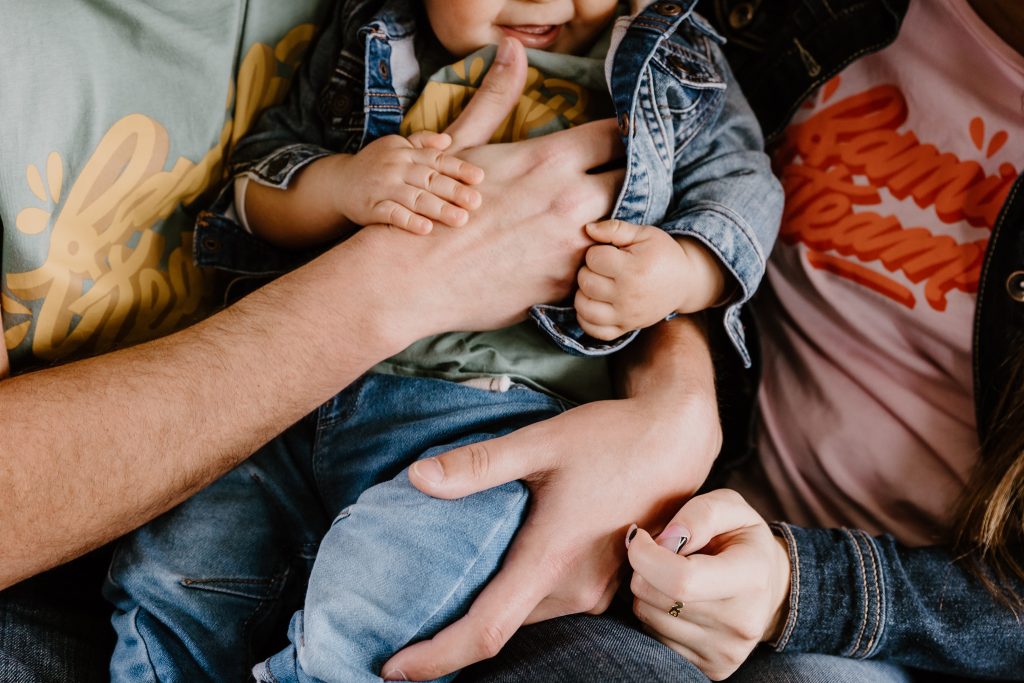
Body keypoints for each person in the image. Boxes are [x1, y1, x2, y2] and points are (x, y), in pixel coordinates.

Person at [0, 3, 722, 682]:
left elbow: (718, 200)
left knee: (395, 594)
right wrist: (373, 238)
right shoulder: (373, 31)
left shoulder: (652, 53)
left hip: (489, 422)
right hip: (148, 493)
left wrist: (678, 390)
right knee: (173, 578)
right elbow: (262, 177)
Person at [555, 0, 1023, 681]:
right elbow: (669, 185)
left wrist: (798, 587)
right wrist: (678, 387)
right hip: (677, 508)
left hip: (906, 623)